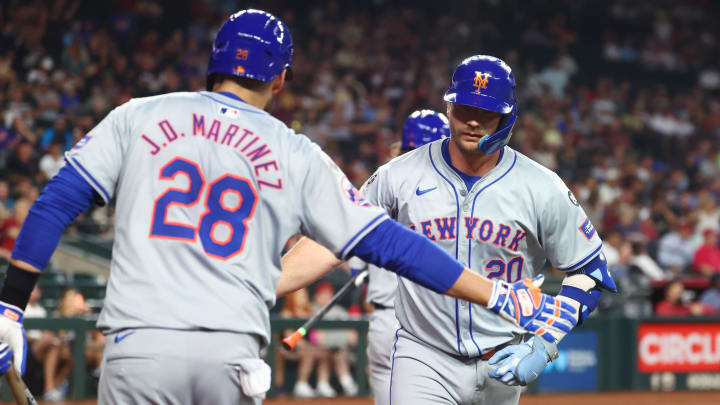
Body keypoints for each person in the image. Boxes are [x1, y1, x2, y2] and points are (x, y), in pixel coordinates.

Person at [0, 11, 572, 405]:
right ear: (281, 78)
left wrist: (11, 307)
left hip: (136, 344)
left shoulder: (138, 115)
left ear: (214, 62)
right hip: (229, 350)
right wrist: (495, 292)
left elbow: (53, 206)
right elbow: (393, 245)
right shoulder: (296, 151)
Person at [279, 55, 615, 405]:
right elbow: (335, 236)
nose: (472, 120)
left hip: (503, 359)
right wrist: (264, 283)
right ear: (449, 107)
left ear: (507, 116)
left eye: (486, 112)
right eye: (464, 107)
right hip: (424, 355)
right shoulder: (399, 174)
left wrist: (546, 342)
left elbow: (589, 271)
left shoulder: (542, 186)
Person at [346, 109, 450, 405]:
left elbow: (354, 256)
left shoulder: (378, 184)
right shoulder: (447, 193)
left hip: (384, 319)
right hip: (430, 320)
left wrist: (360, 272)